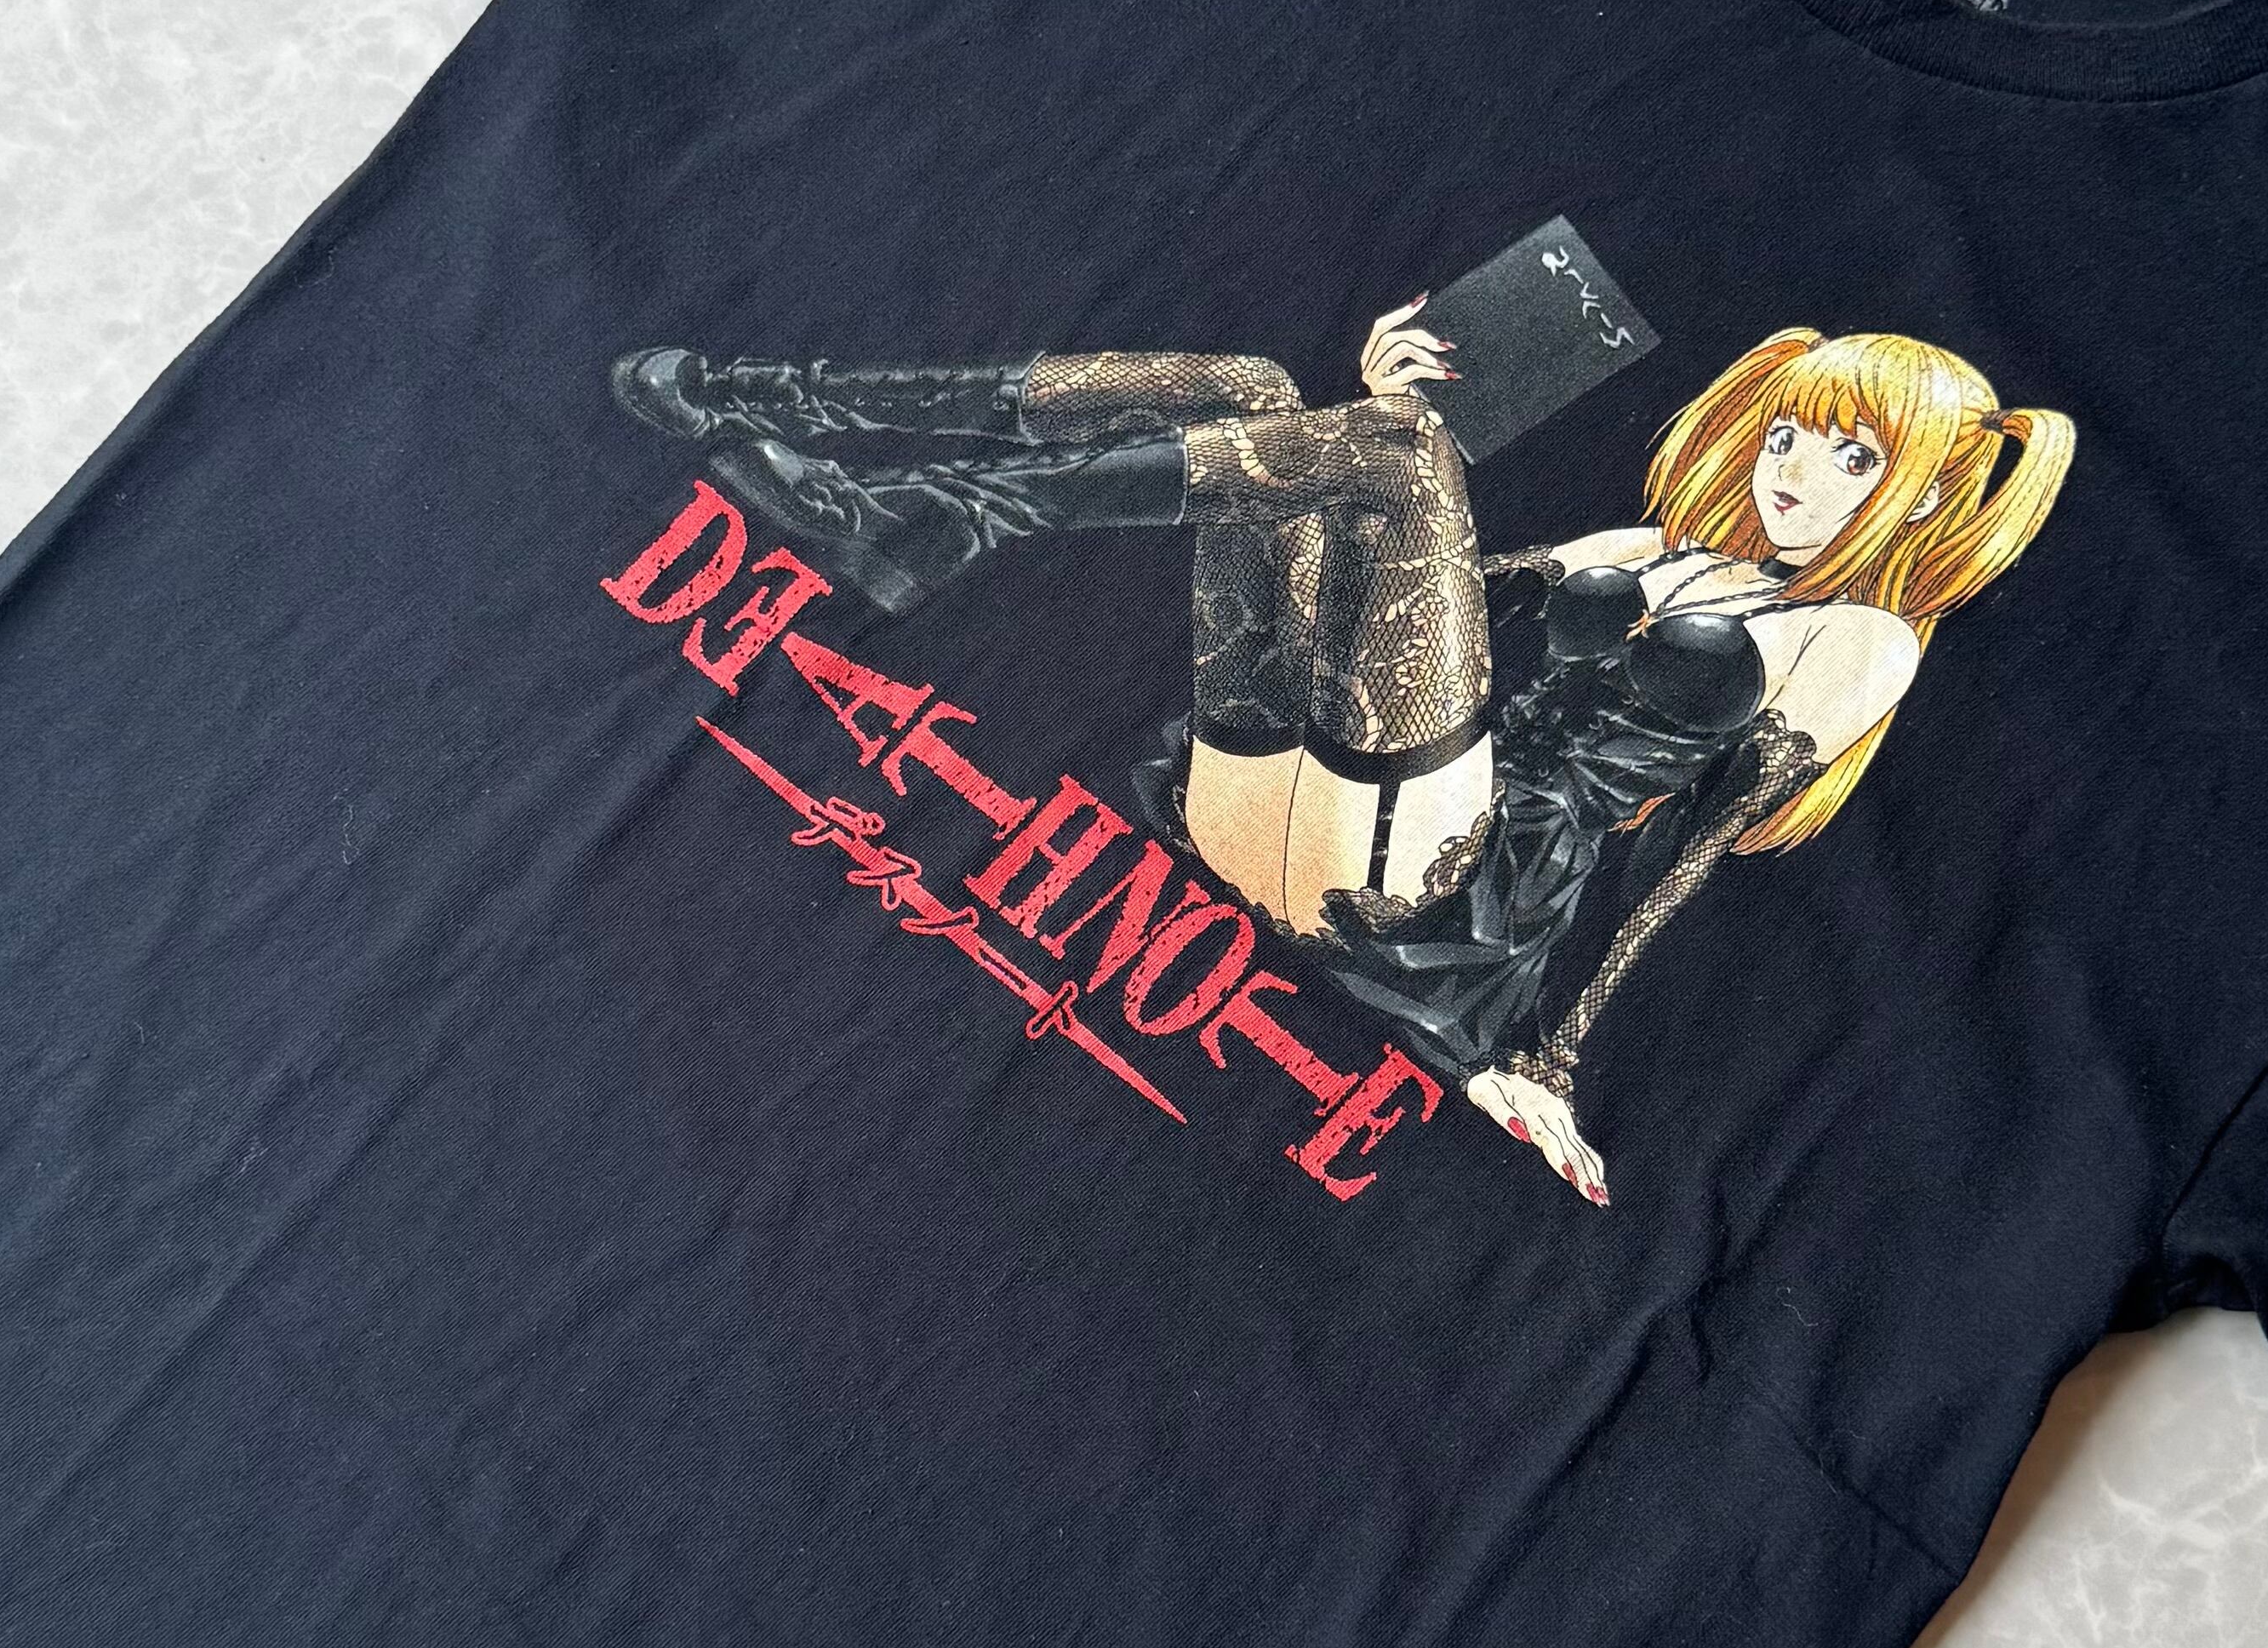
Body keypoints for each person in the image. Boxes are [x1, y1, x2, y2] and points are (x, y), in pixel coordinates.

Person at [609, 306, 2072, 1201]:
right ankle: (793, 397)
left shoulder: (1862, 640)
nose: (1801, 473)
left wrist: (1546, 1056)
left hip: (1444, 897)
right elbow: (1405, 582)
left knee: (1395, 456)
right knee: (1260, 390)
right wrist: (1372, 417)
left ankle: (932, 517)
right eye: (1793, 437)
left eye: (1856, 457)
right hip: (1316, 807)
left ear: (1923, 494)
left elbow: (1689, 855)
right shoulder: (1652, 548)